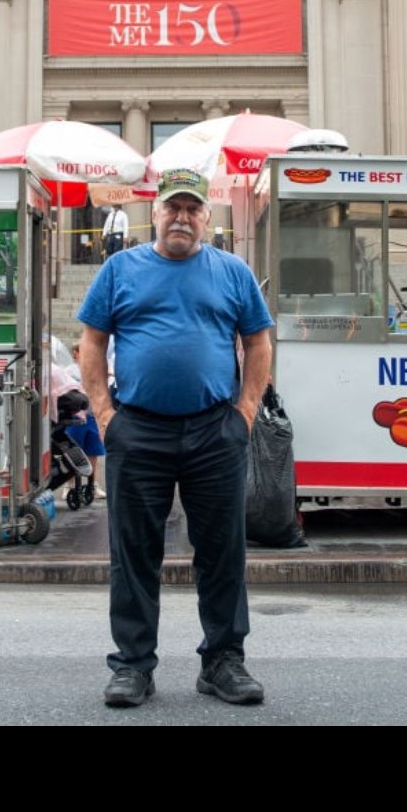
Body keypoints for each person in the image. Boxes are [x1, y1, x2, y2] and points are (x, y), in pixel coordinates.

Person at [78, 166, 274, 708]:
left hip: (215, 431)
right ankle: (133, 666)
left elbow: (258, 343)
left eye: (192, 208)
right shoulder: (120, 269)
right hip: (138, 430)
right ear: (156, 213)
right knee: (133, 553)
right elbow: (91, 342)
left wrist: (246, 411)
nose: (181, 218)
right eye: (173, 207)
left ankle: (223, 661)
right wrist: (104, 414)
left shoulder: (232, 272)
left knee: (222, 552)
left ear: (207, 217)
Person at [67, 339, 107, 495]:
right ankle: (70, 486)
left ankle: (93, 485)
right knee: (73, 452)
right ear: (76, 354)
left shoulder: (95, 368)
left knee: (93, 452)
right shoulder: (69, 371)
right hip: (75, 418)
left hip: (92, 416)